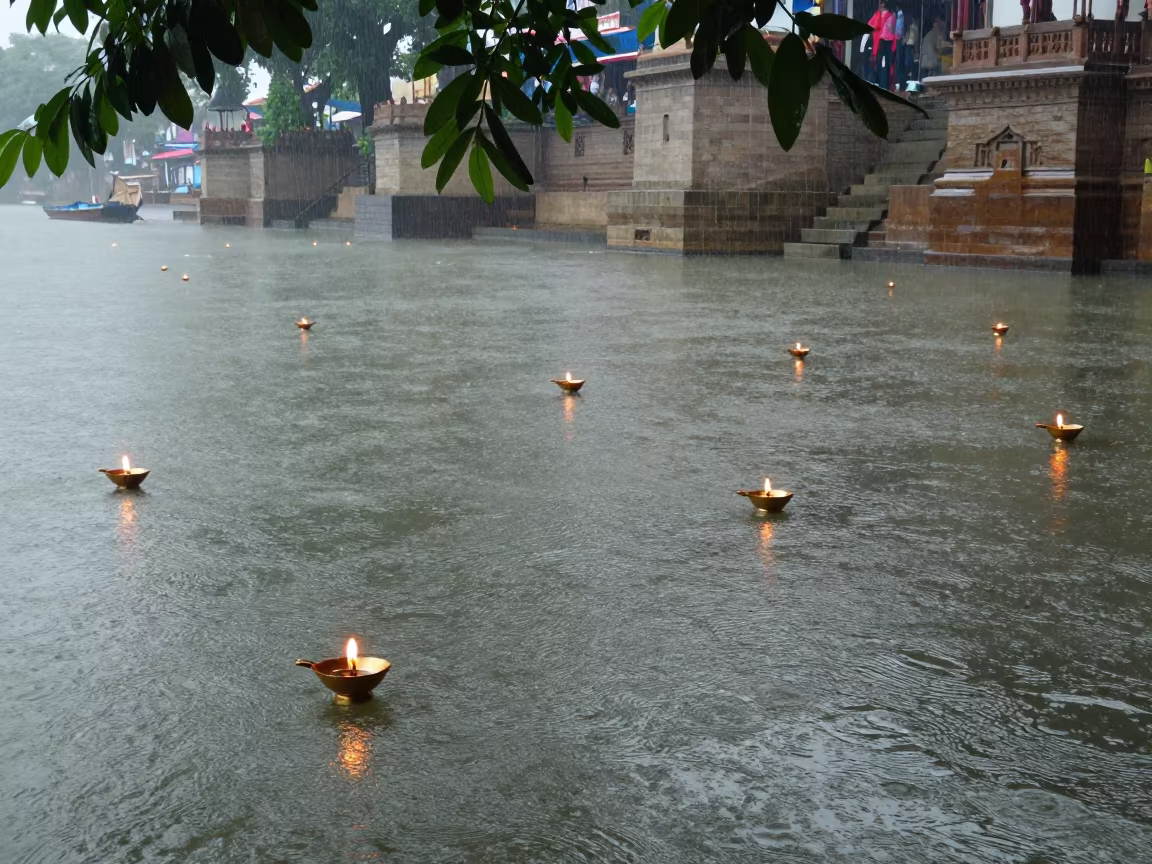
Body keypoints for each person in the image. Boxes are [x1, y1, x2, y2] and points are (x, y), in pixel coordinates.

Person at [868, 1, 897, 90]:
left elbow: (870, 26)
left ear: (883, 4)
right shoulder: (890, 16)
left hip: (882, 43)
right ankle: (884, 85)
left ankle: (880, 84)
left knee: (880, 65)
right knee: (885, 65)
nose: (878, 5)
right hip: (886, 43)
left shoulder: (879, 15)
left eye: (880, 2)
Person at [899, 14, 919, 90]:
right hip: (909, 47)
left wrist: (903, 42)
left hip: (909, 46)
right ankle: (907, 78)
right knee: (908, 64)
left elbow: (914, 39)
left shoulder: (913, 27)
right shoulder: (913, 27)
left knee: (908, 64)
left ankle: (907, 79)